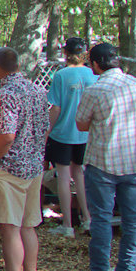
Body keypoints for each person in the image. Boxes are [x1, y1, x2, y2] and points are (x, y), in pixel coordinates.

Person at [73, 43, 136, 271]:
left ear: (95, 64)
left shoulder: (96, 90)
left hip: (104, 162)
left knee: (102, 219)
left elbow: (81, 124)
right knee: (132, 220)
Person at [0, 47, 51, 271]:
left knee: (10, 228)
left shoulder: (5, 94)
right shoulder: (37, 91)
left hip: (11, 167)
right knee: (28, 225)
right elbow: (45, 128)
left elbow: (7, 135)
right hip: (34, 166)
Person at [44, 37, 98, 237]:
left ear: (65, 53)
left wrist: (47, 129)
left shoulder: (61, 75)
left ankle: (67, 224)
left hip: (63, 133)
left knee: (64, 178)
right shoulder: (93, 75)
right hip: (84, 134)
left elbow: (56, 107)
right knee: (80, 175)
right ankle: (87, 219)